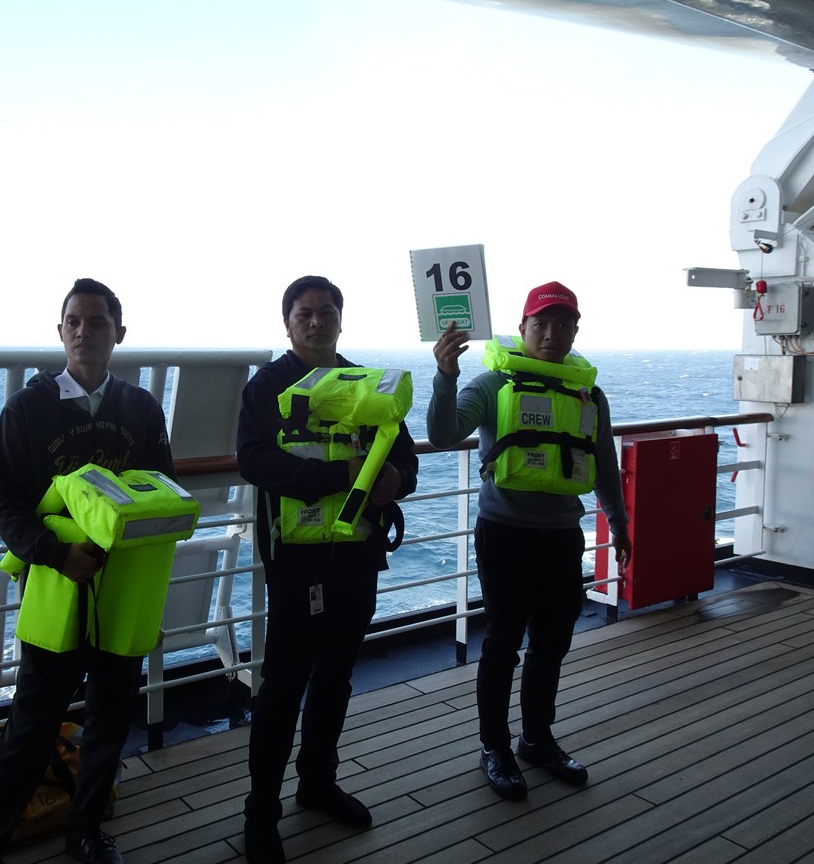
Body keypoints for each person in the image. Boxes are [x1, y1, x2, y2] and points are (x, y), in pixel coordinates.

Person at [0, 279, 174, 864]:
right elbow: (7, 502)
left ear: (119, 333)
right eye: (73, 322)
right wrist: (56, 555)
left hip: (124, 588)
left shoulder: (142, 409)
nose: (84, 332)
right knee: (32, 724)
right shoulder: (27, 410)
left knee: (110, 718)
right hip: (55, 587)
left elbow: (161, 493)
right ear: (59, 332)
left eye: (97, 322)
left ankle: (85, 831)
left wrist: (149, 593)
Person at [237, 275, 419, 863]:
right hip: (296, 559)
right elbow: (254, 460)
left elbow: (405, 456)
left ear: (341, 318)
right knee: (283, 685)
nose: (316, 322)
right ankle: (261, 812)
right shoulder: (267, 386)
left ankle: (317, 782)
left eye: (326, 312)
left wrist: (396, 480)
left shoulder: (369, 384)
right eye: (304, 313)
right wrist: (340, 476)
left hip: (358, 552)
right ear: (287, 323)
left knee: (336, 675)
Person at [426, 280, 631, 801]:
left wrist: (619, 522)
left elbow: (603, 462)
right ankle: (494, 747)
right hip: (505, 534)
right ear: (522, 328)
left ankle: (536, 739)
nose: (551, 332)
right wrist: (445, 376)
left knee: (552, 643)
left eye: (563, 323)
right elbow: (445, 435)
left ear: (576, 330)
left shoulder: (589, 393)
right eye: (541, 323)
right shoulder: (493, 384)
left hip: (562, 535)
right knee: (502, 644)